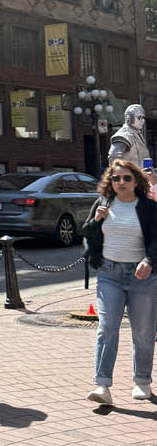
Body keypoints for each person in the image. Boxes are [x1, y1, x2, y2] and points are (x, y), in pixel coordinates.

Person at [82, 158, 157, 405]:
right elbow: (88, 237)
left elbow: (155, 239)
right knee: (107, 328)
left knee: (143, 331)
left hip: (142, 277)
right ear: (110, 182)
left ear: (136, 181)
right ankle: (102, 385)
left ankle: (142, 381)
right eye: (116, 178)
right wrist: (96, 222)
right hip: (109, 274)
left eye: (126, 178)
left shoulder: (148, 207)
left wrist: (149, 260)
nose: (121, 182)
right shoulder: (103, 204)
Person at [108, 105, 150, 170]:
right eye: (139, 117)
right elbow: (113, 158)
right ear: (129, 118)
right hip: (130, 175)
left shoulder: (138, 133)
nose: (143, 121)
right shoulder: (123, 135)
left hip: (140, 174)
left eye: (143, 118)